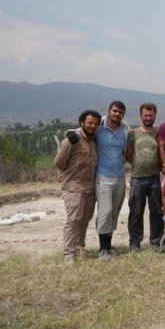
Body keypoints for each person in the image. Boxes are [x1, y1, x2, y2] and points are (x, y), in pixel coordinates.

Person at [54, 109, 100, 263]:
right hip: (73, 188)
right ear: (82, 123)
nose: (93, 126)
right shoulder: (71, 141)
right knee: (73, 220)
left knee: (85, 220)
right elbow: (58, 162)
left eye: (95, 123)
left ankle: (80, 248)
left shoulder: (94, 141)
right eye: (90, 123)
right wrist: (68, 175)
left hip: (90, 188)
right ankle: (69, 254)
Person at [94, 100, 131, 260]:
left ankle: (108, 245)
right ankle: (102, 248)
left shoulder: (125, 131)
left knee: (114, 212)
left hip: (120, 176)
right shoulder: (98, 129)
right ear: (108, 111)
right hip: (102, 177)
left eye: (120, 112)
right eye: (114, 111)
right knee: (105, 211)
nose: (117, 114)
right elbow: (81, 132)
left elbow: (128, 153)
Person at [125, 103, 163, 252]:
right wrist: (137, 164)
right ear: (141, 115)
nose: (148, 117)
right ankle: (135, 242)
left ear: (155, 115)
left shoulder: (159, 132)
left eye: (151, 115)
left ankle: (155, 241)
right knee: (136, 211)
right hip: (137, 178)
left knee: (156, 211)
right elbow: (128, 154)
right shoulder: (133, 133)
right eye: (145, 115)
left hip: (155, 177)